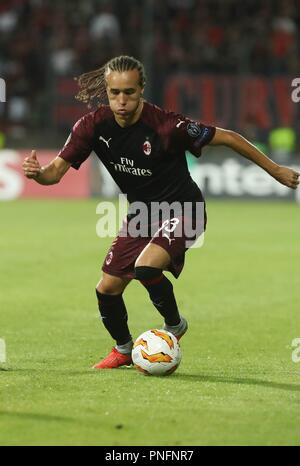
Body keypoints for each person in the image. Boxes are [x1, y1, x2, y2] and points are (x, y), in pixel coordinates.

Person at [22, 55, 299, 369]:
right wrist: (38, 173)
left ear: (142, 89)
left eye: (129, 92)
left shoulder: (168, 126)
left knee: (146, 268)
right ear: (106, 91)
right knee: (107, 288)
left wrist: (275, 170)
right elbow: (54, 173)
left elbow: (229, 138)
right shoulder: (92, 125)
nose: (122, 100)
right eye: (115, 93)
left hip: (185, 209)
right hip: (142, 214)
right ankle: (123, 349)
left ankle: (175, 325)